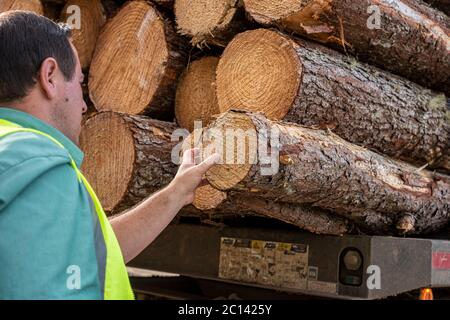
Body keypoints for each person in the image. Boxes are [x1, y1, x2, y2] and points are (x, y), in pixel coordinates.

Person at [0, 10, 218, 299]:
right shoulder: (39, 168)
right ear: (49, 77)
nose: (83, 106)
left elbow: (88, 252)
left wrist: (176, 193)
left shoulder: (13, 154)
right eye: (79, 82)